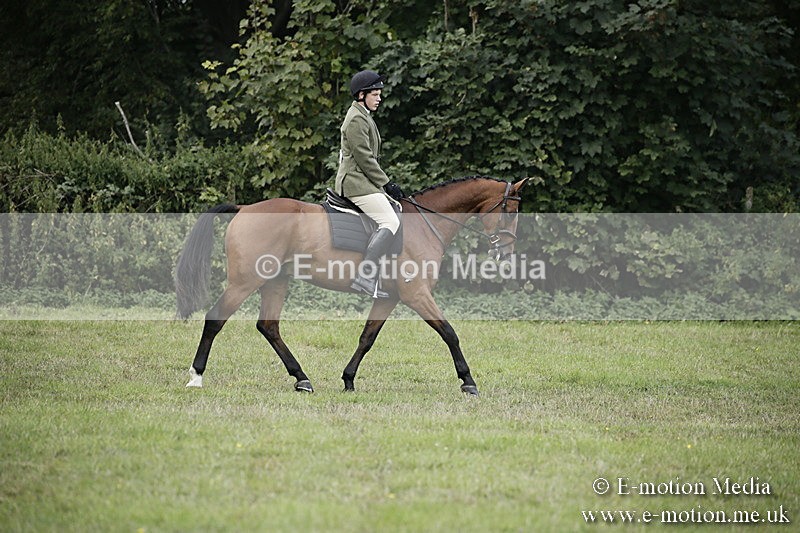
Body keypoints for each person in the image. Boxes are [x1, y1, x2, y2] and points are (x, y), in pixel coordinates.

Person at [335, 70, 400, 298]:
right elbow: (364, 157)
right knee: (389, 220)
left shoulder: (363, 116)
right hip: (354, 182)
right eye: (375, 94)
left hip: (363, 181)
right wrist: (386, 182)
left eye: (380, 94)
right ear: (361, 95)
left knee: (396, 210)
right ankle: (365, 277)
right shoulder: (355, 119)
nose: (379, 98)